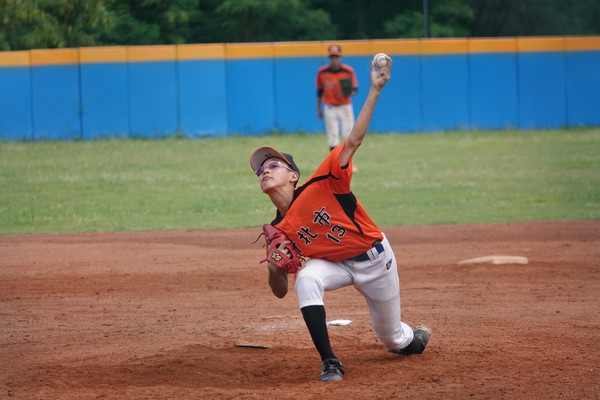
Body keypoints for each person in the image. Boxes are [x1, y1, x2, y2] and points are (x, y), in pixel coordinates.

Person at [250, 56, 431, 382]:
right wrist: (274, 268)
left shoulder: (323, 182)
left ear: (293, 175)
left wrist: (375, 89)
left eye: (273, 165)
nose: (265, 171)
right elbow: (279, 291)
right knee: (306, 279)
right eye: (260, 170)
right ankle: (330, 361)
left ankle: (412, 338)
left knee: (394, 340)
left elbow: (353, 140)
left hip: (374, 261)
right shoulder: (278, 230)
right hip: (336, 266)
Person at [316, 45, 358, 153]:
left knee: (348, 135)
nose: (334, 59)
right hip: (329, 107)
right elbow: (319, 91)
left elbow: (355, 89)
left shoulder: (348, 71)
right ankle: (333, 165)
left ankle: (348, 164)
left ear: (340, 57)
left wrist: (347, 91)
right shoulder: (322, 72)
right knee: (332, 136)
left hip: (344, 106)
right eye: (332, 56)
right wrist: (319, 108)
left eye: (336, 56)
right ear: (329, 58)